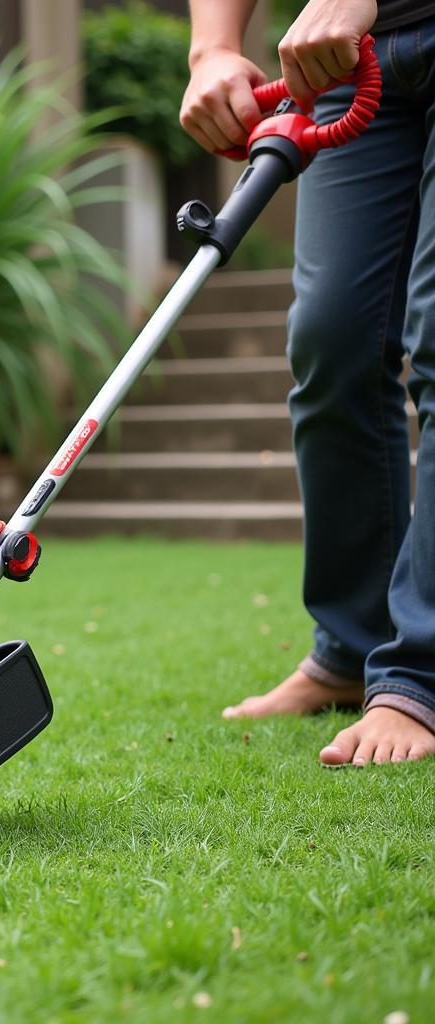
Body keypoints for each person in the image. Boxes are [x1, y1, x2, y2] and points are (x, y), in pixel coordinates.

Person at [180, 0, 435, 765]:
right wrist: (213, 48)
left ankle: (418, 673)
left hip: (355, 18)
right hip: (356, 57)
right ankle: (351, 648)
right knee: (329, 339)